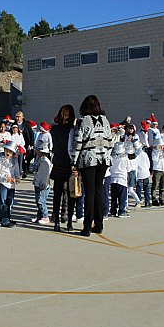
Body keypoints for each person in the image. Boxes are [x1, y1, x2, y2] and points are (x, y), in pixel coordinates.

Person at [71, 95, 112, 237]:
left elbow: (78, 142)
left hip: (88, 159)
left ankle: (87, 226)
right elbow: (110, 141)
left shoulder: (83, 121)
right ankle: (99, 224)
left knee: (89, 192)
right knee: (99, 191)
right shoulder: (105, 120)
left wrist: (74, 161)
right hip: (103, 159)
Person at [49, 104, 76, 232]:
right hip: (66, 163)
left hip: (60, 162)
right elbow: (71, 148)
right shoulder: (71, 129)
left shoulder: (54, 130)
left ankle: (60, 221)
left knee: (60, 194)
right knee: (67, 194)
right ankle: (66, 221)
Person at [0, 141, 21, 228]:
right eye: (6, 151)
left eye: (10, 151)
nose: (8, 153)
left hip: (11, 185)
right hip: (3, 184)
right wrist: (5, 178)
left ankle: (8, 217)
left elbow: (17, 173)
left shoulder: (15, 162)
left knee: (10, 202)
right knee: (3, 202)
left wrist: (16, 178)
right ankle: (4, 220)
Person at [32, 140, 52, 225]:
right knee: (38, 201)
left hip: (43, 184)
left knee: (41, 201)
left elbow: (46, 174)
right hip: (37, 182)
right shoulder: (39, 159)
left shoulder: (46, 161)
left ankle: (45, 216)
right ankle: (39, 215)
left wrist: (43, 184)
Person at [109, 142, 129, 218]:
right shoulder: (125, 158)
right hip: (122, 179)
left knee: (114, 197)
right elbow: (129, 168)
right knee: (122, 197)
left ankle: (113, 210)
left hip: (113, 179)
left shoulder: (112, 157)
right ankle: (121, 211)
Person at [15, 111, 35, 178]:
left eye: (19, 117)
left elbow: (31, 134)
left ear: (22, 117)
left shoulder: (26, 124)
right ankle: (19, 171)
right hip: (17, 143)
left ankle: (25, 171)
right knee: (19, 159)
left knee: (26, 158)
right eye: (17, 117)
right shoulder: (14, 124)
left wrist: (31, 144)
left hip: (26, 143)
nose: (18, 118)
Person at [151, 137, 164, 206]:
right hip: (157, 170)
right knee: (155, 186)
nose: (161, 147)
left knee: (163, 186)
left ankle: (161, 199)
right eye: (160, 146)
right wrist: (157, 151)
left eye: (162, 145)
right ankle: (154, 199)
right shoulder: (154, 152)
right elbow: (154, 159)